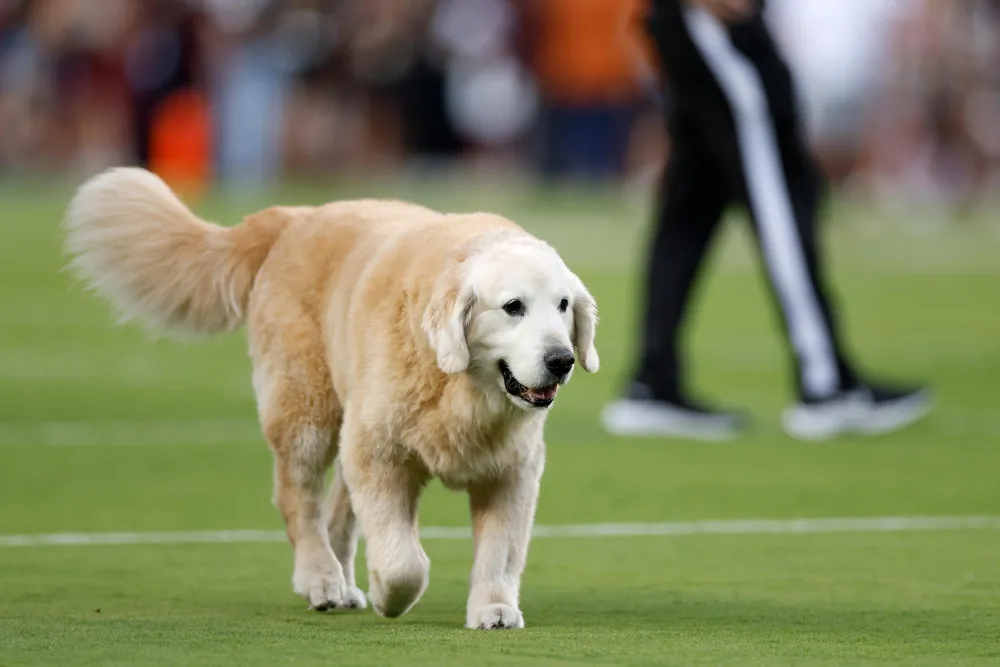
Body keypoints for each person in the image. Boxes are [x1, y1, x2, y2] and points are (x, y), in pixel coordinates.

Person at [601, 0, 932, 441]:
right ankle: (825, 382)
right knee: (776, 184)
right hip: (708, 24)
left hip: (697, 24)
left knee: (692, 202)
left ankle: (652, 380)